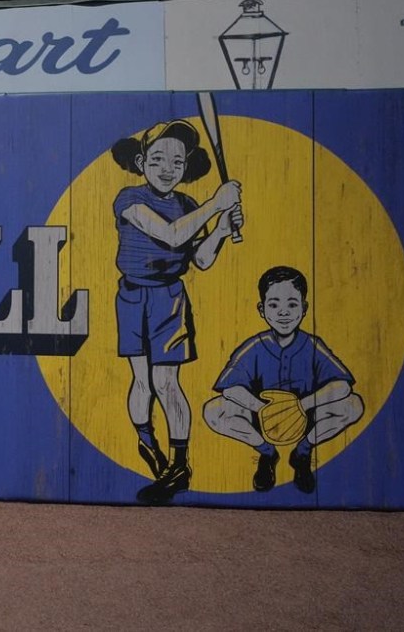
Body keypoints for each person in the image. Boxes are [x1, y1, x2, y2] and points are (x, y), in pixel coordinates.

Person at [111, 119, 243, 504]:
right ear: (141, 161)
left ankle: (180, 464)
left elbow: (199, 259)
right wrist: (215, 205)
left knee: (166, 382)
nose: (167, 168)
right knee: (141, 382)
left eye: (177, 162)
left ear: (187, 167)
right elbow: (170, 235)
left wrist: (219, 229)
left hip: (169, 298)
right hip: (132, 296)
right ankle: (146, 441)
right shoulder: (128, 198)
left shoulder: (188, 206)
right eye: (157, 158)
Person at [203, 266, 364, 493]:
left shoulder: (312, 345)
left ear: (304, 308)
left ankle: (302, 453)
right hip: (261, 418)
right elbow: (230, 389)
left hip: (306, 418)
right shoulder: (255, 346)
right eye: (274, 305)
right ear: (262, 309)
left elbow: (343, 385)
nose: (283, 312)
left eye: (292, 304)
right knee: (214, 410)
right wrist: (261, 408)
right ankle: (267, 454)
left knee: (354, 405)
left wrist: (301, 405)